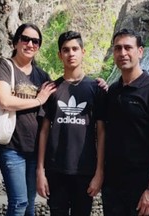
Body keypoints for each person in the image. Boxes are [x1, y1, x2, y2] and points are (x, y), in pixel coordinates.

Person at [102, 28, 149, 216]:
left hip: (143, 188)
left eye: (128, 47)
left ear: (140, 51)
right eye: (118, 48)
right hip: (113, 187)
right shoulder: (113, 91)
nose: (122, 53)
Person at [0, 23, 57, 216]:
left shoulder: (41, 75)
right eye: (25, 39)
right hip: (11, 147)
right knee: (19, 202)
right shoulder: (5, 66)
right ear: (16, 42)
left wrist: (97, 85)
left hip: (35, 149)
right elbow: (4, 100)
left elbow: (62, 91)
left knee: (30, 204)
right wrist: (37, 99)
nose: (30, 44)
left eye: (35, 41)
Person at [36, 31, 106, 216]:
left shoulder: (96, 89)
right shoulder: (51, 89)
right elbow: (44, 131)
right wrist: (40, 171)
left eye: (75, 49)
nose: (71, 53)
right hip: (55, 169)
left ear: (83, 51)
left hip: (85, 170)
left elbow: (101, 132)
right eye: (66, 50)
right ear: (60, 55)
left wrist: (99, 173)